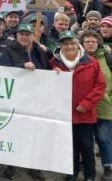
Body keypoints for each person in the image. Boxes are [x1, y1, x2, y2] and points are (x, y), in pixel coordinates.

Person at [50, 31, 106, 181]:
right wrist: (52, 75)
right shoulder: (54, 63)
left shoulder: (92, 62)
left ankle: (90, 174)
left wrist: (87, 103)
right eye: (65, 43)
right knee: (69, 147)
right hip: (64, 113)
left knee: (87, 147)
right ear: (60, 45)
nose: (69, 46)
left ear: (78, 44)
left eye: (72, 43)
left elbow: (100, 86)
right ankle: (72, 172)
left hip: (84, 114)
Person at [0, 23, 49, 180]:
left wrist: (56, 72)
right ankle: (12, 165)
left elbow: (47, 68)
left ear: (33, 36)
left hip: (37, 99)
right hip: (17, 99)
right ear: (16, 36)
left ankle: (34, 166)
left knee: (35, 133)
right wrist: (21, 66)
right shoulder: (9, 51)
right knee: (16, 133)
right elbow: (2, 70)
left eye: (28, 34)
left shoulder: (39, 50)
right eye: (21, 34)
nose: (24, 37)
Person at [80, 31, 112, 181]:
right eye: (87, 41)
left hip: (104, 105)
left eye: (93, 41)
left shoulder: (108, 56)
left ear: (98, 42)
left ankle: (108, 166)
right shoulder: (78, 57)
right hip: (84, 107)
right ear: (82, 43)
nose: (90, 43)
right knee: (86, 139)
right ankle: (85, 163)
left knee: (103, 137)